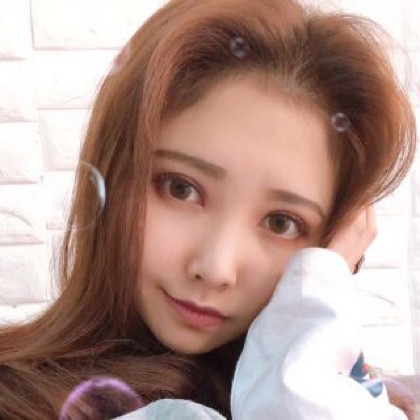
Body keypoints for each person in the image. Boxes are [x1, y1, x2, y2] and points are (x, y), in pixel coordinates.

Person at [0, 0, 417, 418]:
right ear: (117, 167)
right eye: (181, 189)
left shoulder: (351, 400)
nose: (217, 269)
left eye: (281, 223)